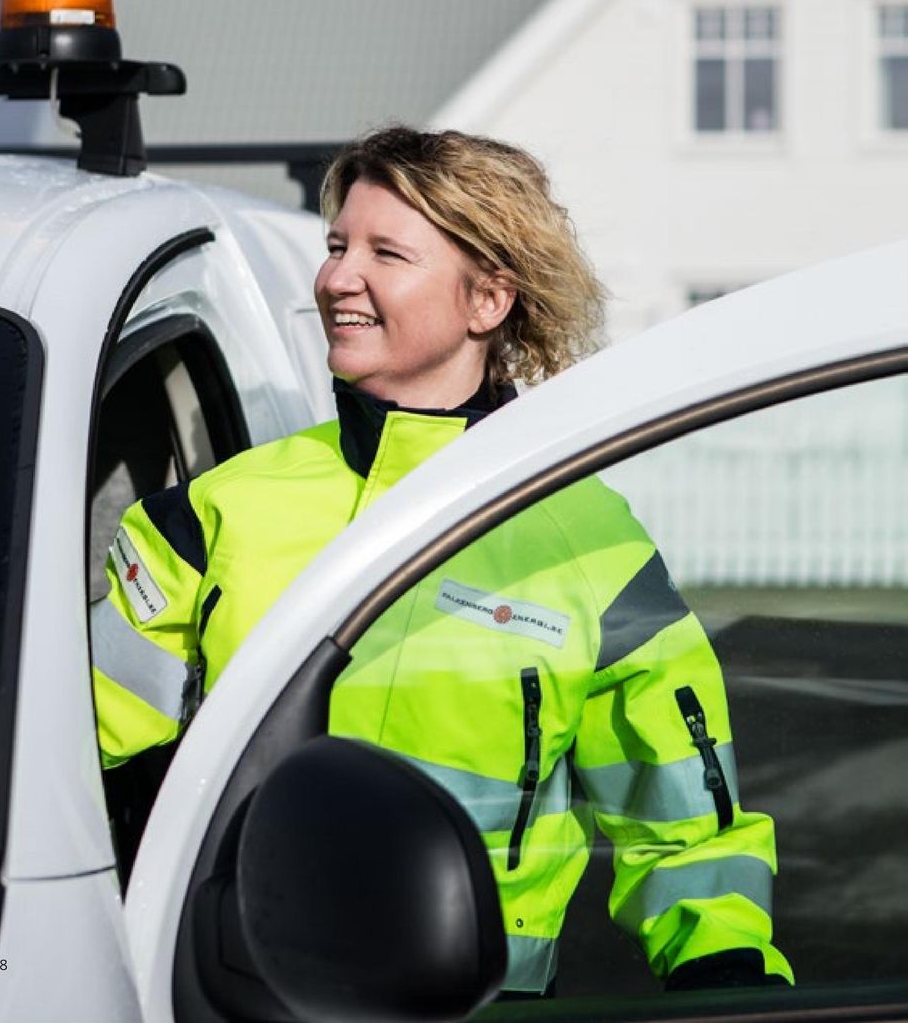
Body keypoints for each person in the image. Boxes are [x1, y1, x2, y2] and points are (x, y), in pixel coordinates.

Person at [91, 125, 792, 997]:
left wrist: (725, 972)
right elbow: (53, 722)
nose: (339, 278)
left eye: (388, 253)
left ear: (487, 301)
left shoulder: (589, 543)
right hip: (232, 991)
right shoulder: (219, 509)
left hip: (477, 1010)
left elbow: (687, 822)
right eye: (339, 246)